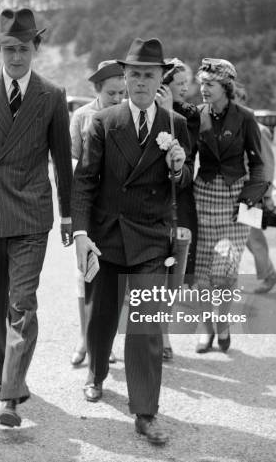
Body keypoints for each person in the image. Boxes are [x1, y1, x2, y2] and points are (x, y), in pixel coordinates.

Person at [0, 8, 73, 428]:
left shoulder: (52, 96)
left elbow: (62, 159)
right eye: (8, 48)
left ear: (36, 49)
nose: (15, 57)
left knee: (21, 303)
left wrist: (69, 215)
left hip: (31, 212)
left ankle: (11, 393)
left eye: (22, 48)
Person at [72, 37, 192, 445]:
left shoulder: (175, 125)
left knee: (146, 327)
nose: (141, 81)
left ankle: (145, 412)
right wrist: (82, 234)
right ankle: (96, 372)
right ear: (125, 76)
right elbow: (85, 181)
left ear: (162, 79)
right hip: (107, 238)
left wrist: (178, 168)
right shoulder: (105, 122)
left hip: (150, 240)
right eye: (135, 74)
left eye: (150, 74)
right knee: (102, 314)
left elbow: (185, 181)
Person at [193, 58, 267, 353]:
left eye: (209, 85)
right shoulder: (196, 115)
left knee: (225, 271)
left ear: (226, 87)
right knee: (200, 273)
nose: (203, 89)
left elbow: (258, 165)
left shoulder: (246, 117)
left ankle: (222, 324)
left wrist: (251, 205)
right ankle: (206, 329)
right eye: (201, 84)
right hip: (203, 197)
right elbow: (186, 158)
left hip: (239, 200)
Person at [69, 59, 126, 367]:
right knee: (85, 274)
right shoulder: (81, 116)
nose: (118, 100)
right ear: (97, 90)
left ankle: (105, 340)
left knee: (114, 278)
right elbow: (73, 162)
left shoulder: (130, 114)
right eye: (111, 94)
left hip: (119, 210)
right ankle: (84, 337)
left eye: (121, 93)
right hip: (90, 208)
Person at [157, 58, 200, 361]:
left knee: (175, 268)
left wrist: (170, 111)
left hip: (180, 197)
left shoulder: (189, 116)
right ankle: (153, 330)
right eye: (179, 84)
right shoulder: (146, 111)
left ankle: (163, 329)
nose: (186, 89)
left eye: (188, 84)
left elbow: (189, 153)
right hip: (150, 200)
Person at [246, 124, 276, 294]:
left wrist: (266, 195)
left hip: (250, 192)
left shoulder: (259, 129)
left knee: (253, 236)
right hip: (227, 192)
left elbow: (267, 164)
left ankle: (270, 274)